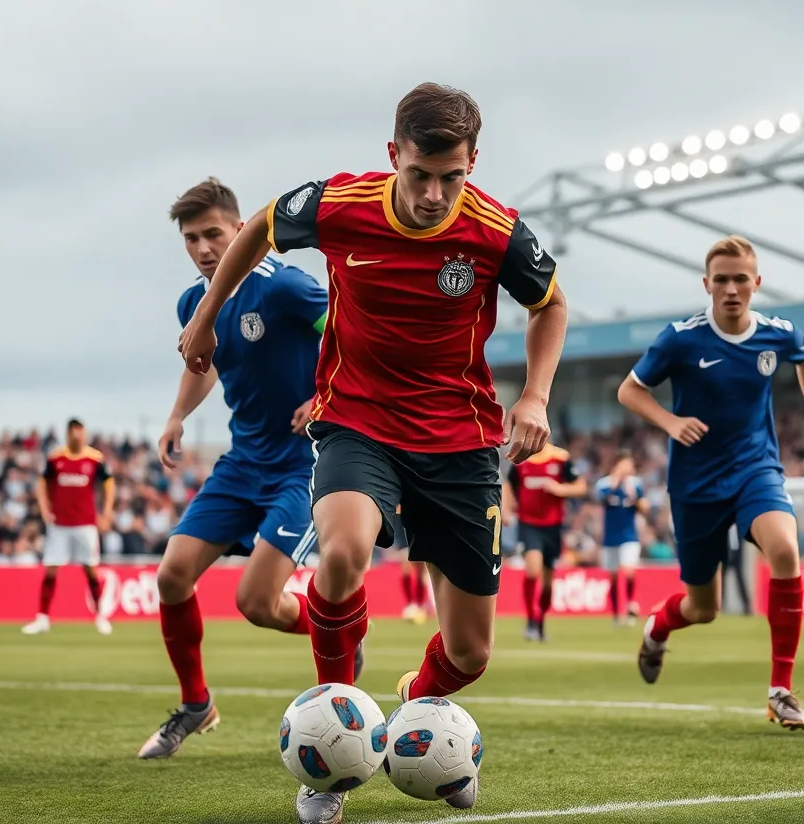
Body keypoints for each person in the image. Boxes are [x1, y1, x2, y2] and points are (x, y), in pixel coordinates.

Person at [178, 83, 566, 823]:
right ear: (395, 156)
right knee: (344, 552)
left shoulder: (495, 231)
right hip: (357, 420)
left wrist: (537, 396)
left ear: (472, 165)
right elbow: (259, 226)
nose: (433, 194)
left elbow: (551, 304)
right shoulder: (341, 204)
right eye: (420, 174)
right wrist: (206, 318)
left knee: (472, 654)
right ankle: (333, 754)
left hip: (461, 441)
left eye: (451, 178)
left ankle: (418, 714)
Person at [138, 178, 335, 761]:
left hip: (303, 466)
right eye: (192, 238)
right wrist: (176, 415)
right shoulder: (191, 303)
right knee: (172, 576)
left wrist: (326, 394)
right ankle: (196, 704)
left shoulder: (287, 288)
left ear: (241, 227)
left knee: (256, 603)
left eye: (214, 234)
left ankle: (344, 626)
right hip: (242, 463)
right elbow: (203, 362)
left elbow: (350, 333)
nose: (203, 248)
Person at [617, 235, 804, 732]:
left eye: (741, 279)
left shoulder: (778, 333)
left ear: (757, 283)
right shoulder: (681, 338)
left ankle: (780, 689)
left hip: (756, 469)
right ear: (706, 284)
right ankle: (657, 629)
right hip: (694, 485)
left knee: (784, 548)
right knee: (703, 607)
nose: (732, 289)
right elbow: (629, 390)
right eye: (722, 280)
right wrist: (670, 423)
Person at [21, 419, 115, 636]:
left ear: (85, 434)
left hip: (85, 524)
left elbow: (109, 484)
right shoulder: (55, 458)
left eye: (80, 432)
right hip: (59, 524)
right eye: (73, 432)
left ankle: (100, 616)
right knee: (51, 568)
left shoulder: (95, 458)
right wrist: (45, 508)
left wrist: (107, 511)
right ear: (67, 434)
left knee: (90, 568)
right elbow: (42, 482)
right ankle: (42, 618)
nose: (77, 436)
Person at [503, 443, 585, 641]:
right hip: (528, 525)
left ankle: (540, 622)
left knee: (548, 583)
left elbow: (581, 487)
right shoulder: (521, 460)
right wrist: (506, 509)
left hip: (553, 527)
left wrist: (560, 488)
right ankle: (531, 620)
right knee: (533, 570)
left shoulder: (560, 458)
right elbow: (508, 485)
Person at [594, 449, 649, 626]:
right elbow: (600, 499)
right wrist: (616, 482)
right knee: (613, 576)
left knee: (629, 571)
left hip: (629, 535)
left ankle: (631, 604)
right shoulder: (605, 483)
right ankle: (617, 614)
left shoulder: (635, 484)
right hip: (610, 536)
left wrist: (636, 497)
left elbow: (645, 508)